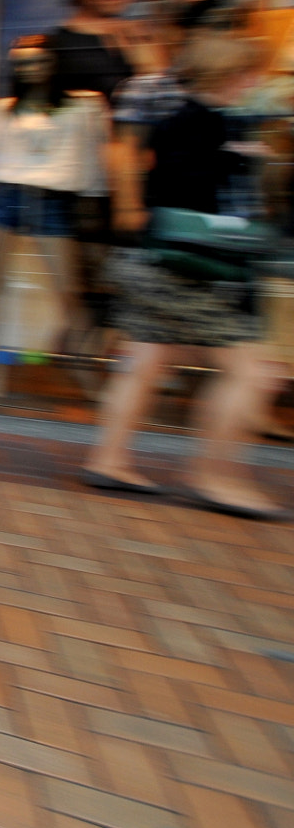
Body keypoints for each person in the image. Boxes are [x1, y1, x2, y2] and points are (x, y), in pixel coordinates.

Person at [84, 32, 289, 519]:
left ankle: (109, 459)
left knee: (147, 362)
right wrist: (240, 158)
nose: (256, 81)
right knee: (256, 372)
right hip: (183, 269)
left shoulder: (188, 120)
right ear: (232, 75)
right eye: (250, 73)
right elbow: (184, 187)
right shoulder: (208, 125)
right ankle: (216, 477)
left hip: (152, 262)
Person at [0, 34, 109, 399]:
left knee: (69, 292)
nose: (29, 69)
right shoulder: (0, 109)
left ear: (54, 63)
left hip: (53, 199)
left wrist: (93, 197)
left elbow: (91, 157)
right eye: (21, 62)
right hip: (4, 194)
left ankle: (83, 367)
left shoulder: (83, 107)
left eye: (38, 60)